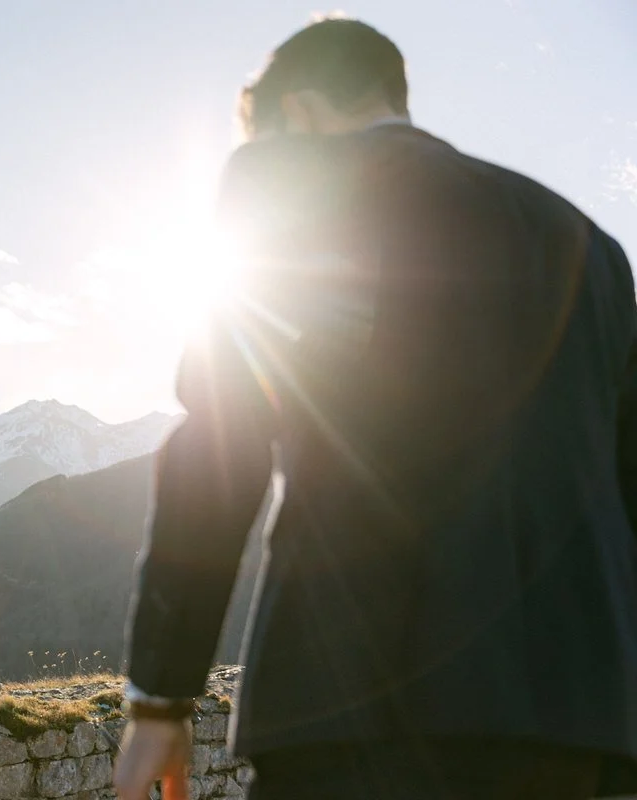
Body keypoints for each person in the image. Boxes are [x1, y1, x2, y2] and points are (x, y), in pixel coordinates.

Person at [113, 16, 637, 800]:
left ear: (305, 112)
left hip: (357, 700)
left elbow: (223, 437)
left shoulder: (288, 187)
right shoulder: (590, 246)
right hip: (576, 724)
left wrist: (160, 695)